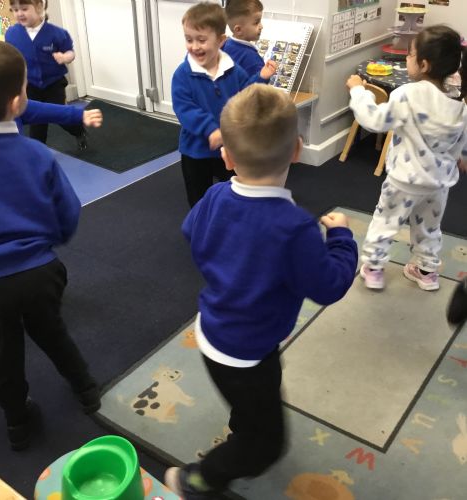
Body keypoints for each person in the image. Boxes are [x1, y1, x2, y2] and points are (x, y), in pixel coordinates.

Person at [165, 84, 358, 498]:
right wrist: (342, 239)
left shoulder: (214, 195)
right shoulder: (296, 228)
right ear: (297, 150)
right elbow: (329, 286)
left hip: (213, 330)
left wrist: (231, 261)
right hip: (247, 351)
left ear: (226, 157)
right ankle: (198, 478)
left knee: (253, 399)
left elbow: (191, 232)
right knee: (267, 445)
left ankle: (243, 427)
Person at [0, 39, 100, 451]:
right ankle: (87, 390)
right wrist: (49, 243)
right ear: (17, 102)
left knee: (4, 350)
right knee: (52, 331)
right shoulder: (36, 155)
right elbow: (68, 214)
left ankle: (17, 421)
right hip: (38, 273)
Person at [347, 25, 467, 291]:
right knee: (430, 228)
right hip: (438, 183)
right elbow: (461, 141)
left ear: (423, 64)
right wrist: (461, 157)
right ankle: (427, 272)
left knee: (386, 222)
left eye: (410, 55)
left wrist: (358, 92)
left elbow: (374, 120)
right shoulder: (459, 105)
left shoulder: (407, 94)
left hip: (404, 180)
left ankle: (374, 269)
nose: (407, 60)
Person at [172, 1, 276, 207]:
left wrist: (261, 78)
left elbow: (245, 94)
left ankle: (229, 223)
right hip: (195, 151)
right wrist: (210, 129)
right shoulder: (183, 74)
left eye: (202, 40)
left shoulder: (232, 69)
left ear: (221, 40)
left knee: (235, 193)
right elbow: (185, 108)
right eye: (189, 39)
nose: (194, 46)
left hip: (229, 147)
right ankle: (201, 226)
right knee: (199, 200)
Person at [5, 0, 88, 149]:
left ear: (38, 7)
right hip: (30, 85)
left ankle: (78, 130)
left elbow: (70, 52)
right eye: (15, 10)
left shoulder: (57, 33)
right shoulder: (12, 34)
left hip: (53, 84)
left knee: (61, 116)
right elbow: (10, 56)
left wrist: (65, 57)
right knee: (37, 125)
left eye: (24, 9)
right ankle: (37, 153)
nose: (19, 13)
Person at [222, 0, 276, 79]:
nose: (261, 26)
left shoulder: (224, 44)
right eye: (256, 23)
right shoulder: (253, 59)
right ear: (238, 30)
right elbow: (257, 86)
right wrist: (264, 77)